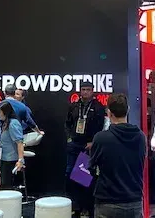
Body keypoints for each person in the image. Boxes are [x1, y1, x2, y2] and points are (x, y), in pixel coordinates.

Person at [89, 94, 146, 218]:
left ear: (109, 113)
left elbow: (89, 168)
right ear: (128, 109)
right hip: (134, 202)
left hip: (107, 202)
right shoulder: (141, 137)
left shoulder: (101, 138)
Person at [65, 81, 106, 218]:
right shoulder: (74, 106)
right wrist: (69, 138)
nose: (85, 92)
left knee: (84, 177)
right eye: (83, 89)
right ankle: (75, 206)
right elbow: (67, 123)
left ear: (92, 91)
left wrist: (93, 141)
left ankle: (86, 207)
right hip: (74, 144)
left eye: (88, 89)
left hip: (88, 146)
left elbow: (102, 127)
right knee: (70, 174)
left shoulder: (98, 107)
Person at [0, 101, 25, 190]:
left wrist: (20, 160)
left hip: (11, 159)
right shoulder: (4, 123)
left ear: (5, 112)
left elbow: (19, 143)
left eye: (0, 112)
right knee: (3, 183)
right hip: (3, 158)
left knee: (7, 185)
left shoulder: (13, 124)